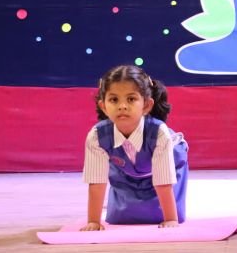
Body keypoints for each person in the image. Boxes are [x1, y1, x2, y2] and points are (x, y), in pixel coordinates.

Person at [80, 65, 188, 231]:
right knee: (119, 217)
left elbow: (163, 181)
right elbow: (97, 182)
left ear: (146, 105)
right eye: (114, 100)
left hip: (169, 162)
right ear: (103, 106)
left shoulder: (159, 133)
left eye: (131, 99)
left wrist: (171, 219)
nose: (122, 106)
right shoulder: (97, 136)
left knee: (166, 214)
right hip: (127, 166)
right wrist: (93, 221)